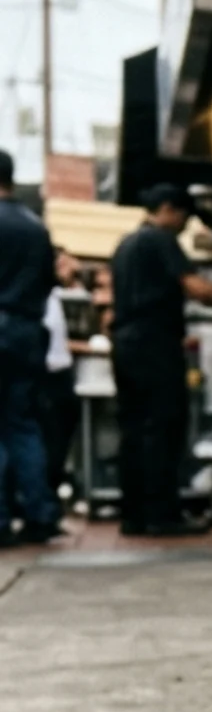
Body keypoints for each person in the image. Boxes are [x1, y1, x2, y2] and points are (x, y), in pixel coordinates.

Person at [109, 184, 212, 537]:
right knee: (164, 425)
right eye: (183, 217)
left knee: (134, 429)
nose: (184, 226)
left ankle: (134, 515)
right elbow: (195, 287)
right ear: (168, 209)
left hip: (125, 343)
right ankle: (162, 515)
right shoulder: (160, 239)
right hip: (155, 344)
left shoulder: (126, 244)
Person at [0, 148, 60, 546]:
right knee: (22, 425)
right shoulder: (36, 227)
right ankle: (40, 513)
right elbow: (48, 282)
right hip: (24, 330)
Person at [37, 252, 84, 500]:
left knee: (61, 435)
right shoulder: (40, 295)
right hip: (48, 372)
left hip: (58, 371)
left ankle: (46, 496)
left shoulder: (54, 294)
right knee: (51, 439)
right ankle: (44, 497)